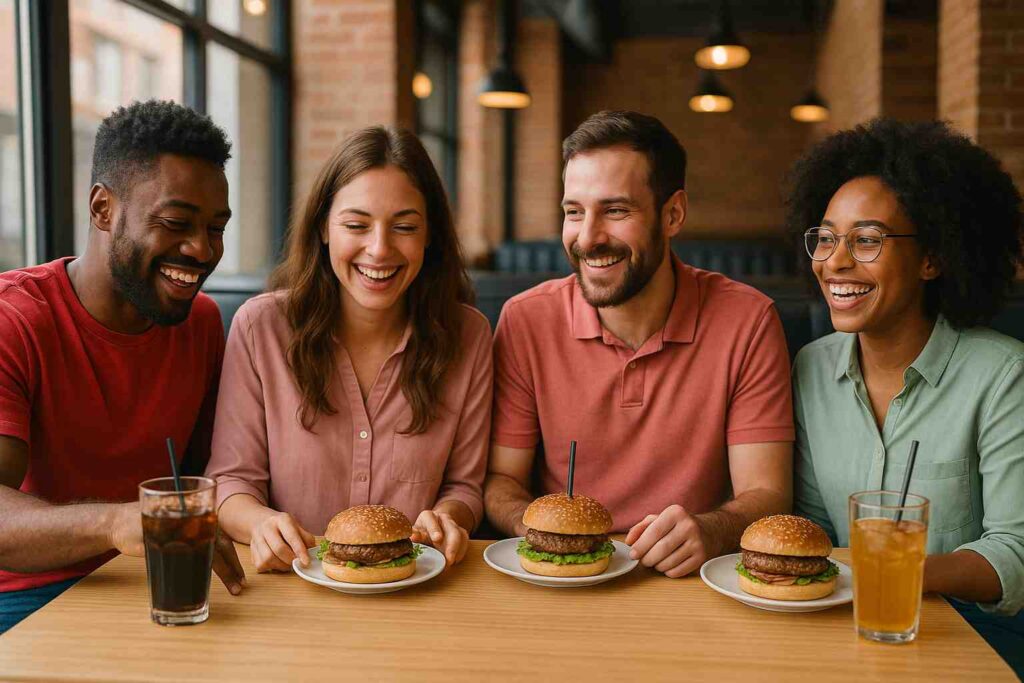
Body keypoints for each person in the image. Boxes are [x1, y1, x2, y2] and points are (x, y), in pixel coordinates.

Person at [483, 110, 794, 577]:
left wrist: (712, 529)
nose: (588, 238)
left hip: (690, 579)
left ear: (673, 214)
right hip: (561, 579)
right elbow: (501, 480)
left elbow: (768, 493)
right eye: (573, 212)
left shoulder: (748, 321)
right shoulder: (526, 319)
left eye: (615, 210)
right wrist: (543, 535)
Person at [0, 100, 246, 634]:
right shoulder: (13, 322)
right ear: (103, 208)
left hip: (156, 585)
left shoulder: (200, 323)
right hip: (25, 600)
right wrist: (118, 521)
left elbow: (208, 475)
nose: (202, 249)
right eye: (176, 222)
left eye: (216, 228)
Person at [789, 118, 1024, 674]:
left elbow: (1014, 553)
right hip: (840, 631)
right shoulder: (810, 369)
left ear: (932, 258)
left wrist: (899, 567)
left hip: (971, 640)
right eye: (826, 237)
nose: (836, 261)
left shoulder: (1003, 375)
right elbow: (814, 525)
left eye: (867, 239)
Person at [206, 126, 491, 571]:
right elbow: (231, 481)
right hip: (292, 585)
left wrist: (448, 518)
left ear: (430, 234)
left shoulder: (469, 336)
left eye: (405, 227)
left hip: (418, 585)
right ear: (323, 227)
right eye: (356, 225)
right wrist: (260, 522)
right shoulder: (261, 328)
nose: (379, 249)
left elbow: (464, 487)